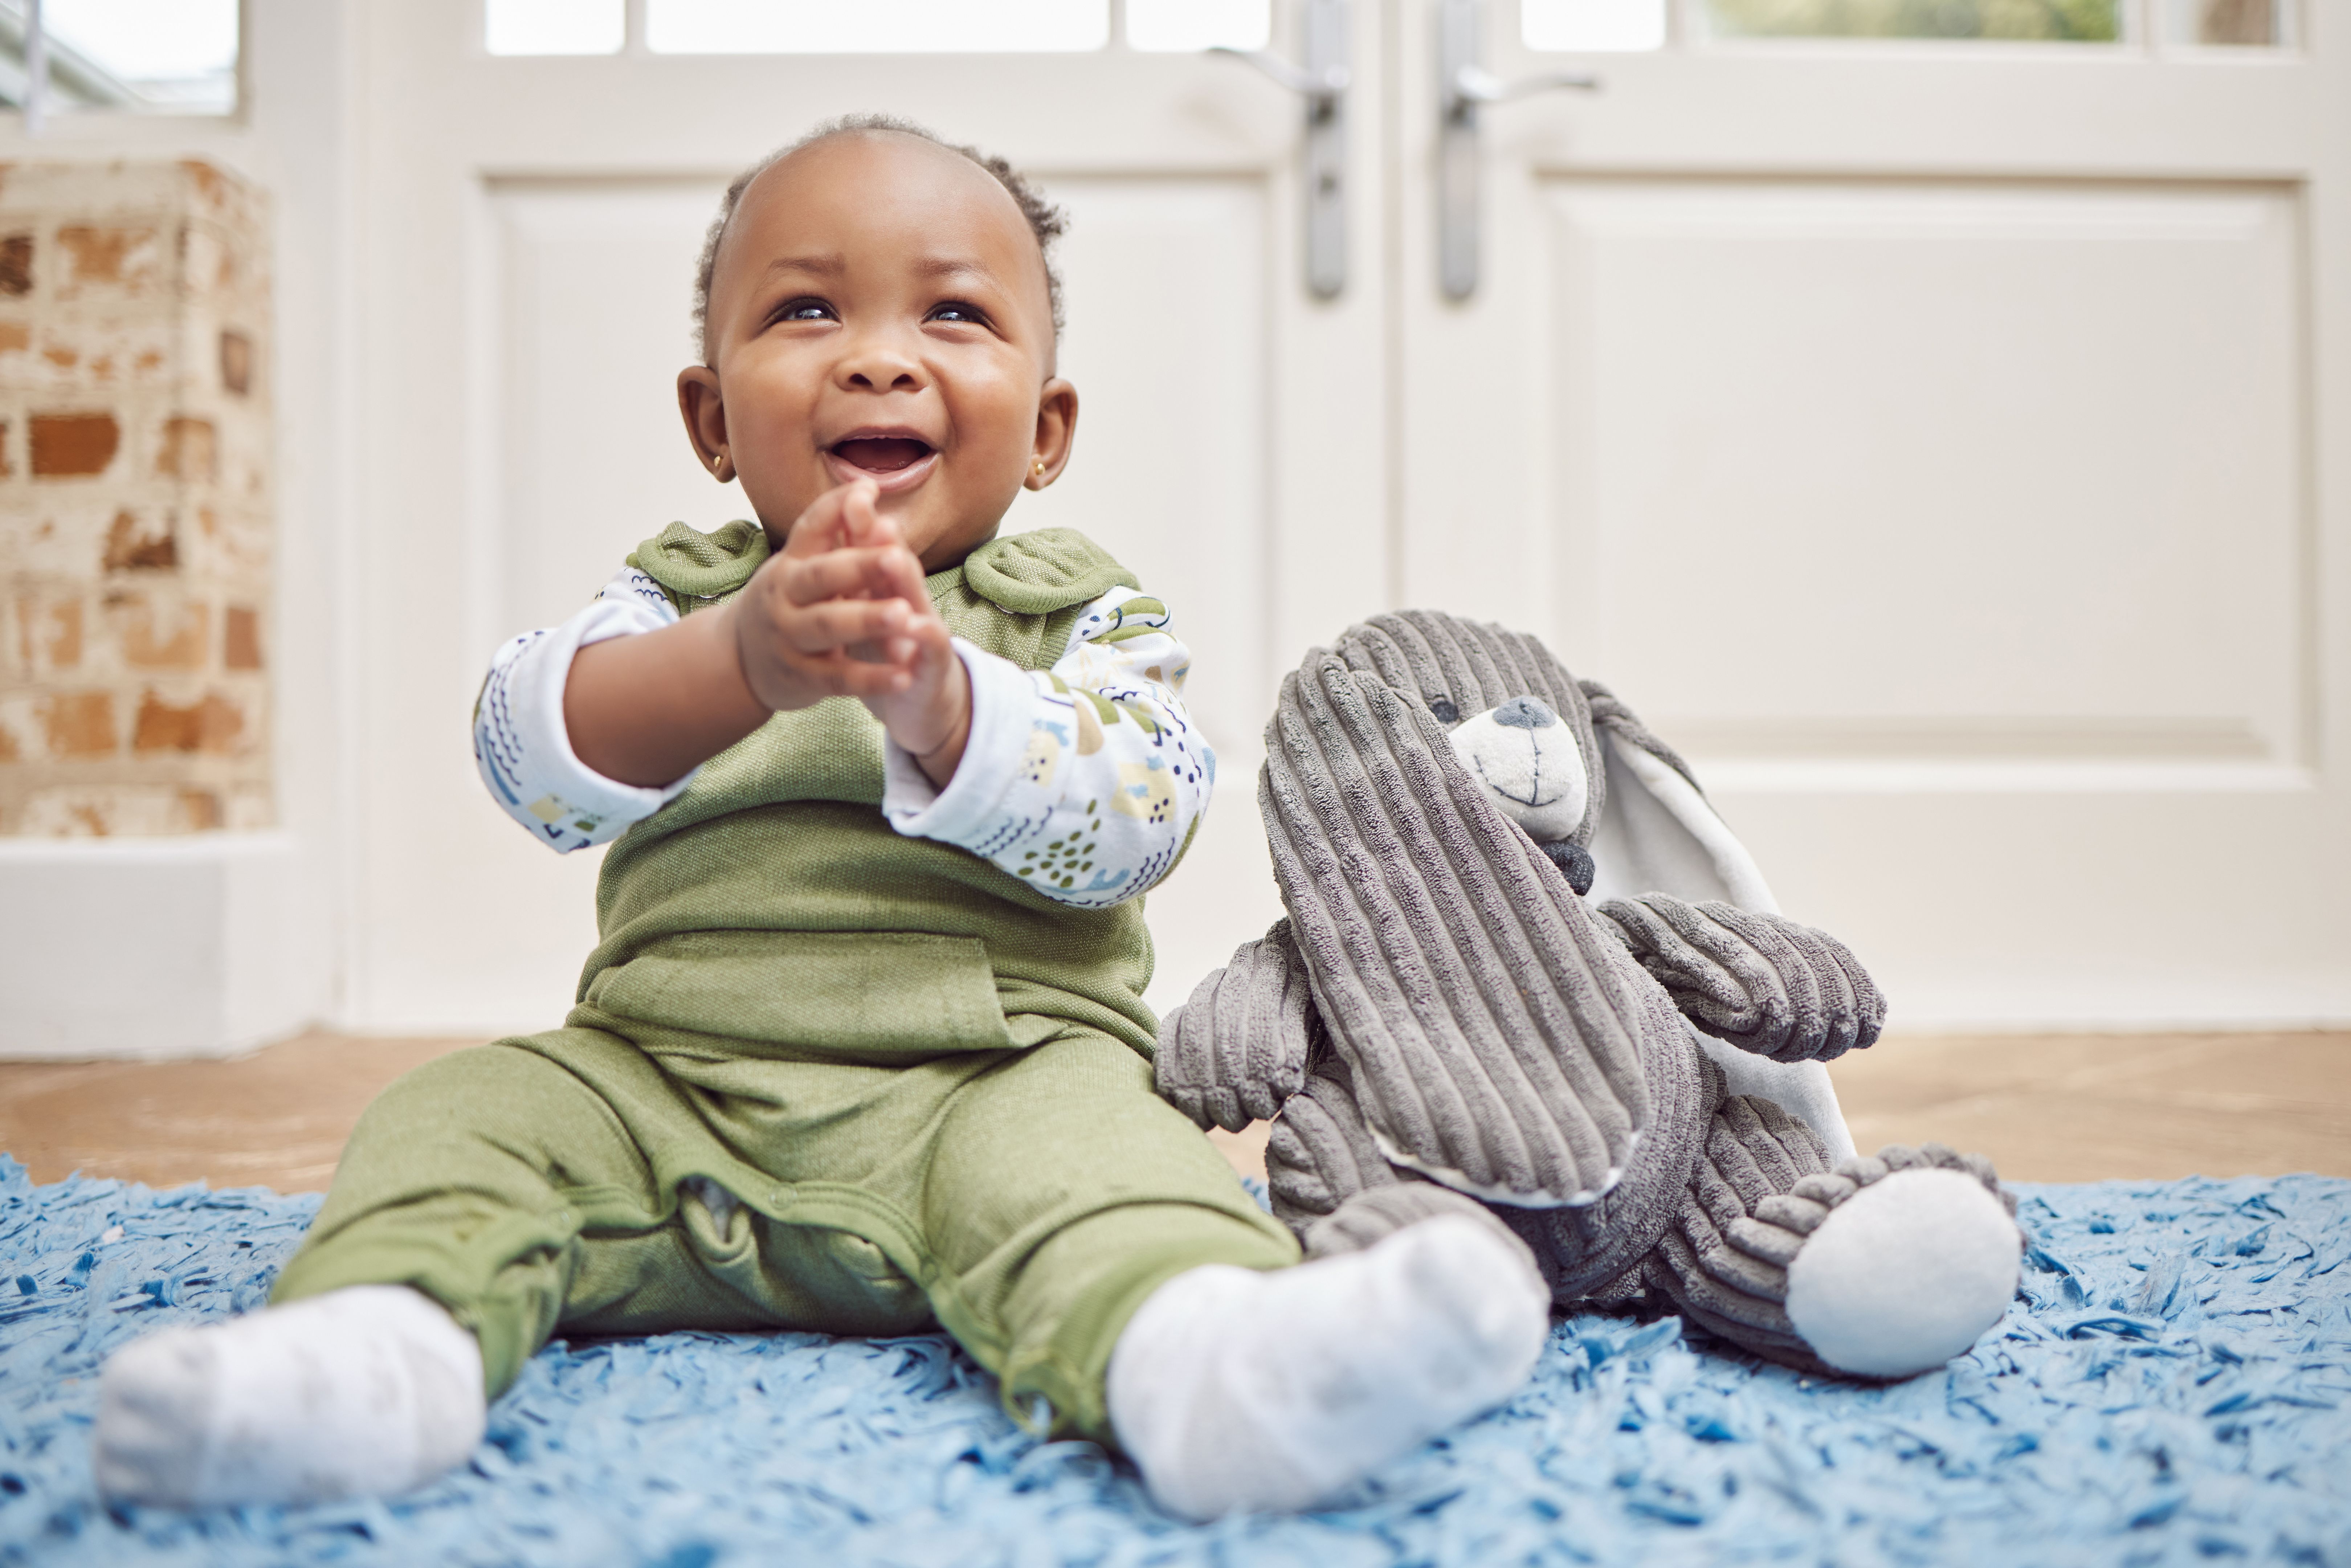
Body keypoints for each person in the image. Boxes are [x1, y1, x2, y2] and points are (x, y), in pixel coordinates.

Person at [90, 117, 1548, 1522]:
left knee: (1116, 1164)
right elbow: (526, 755)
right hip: (665, 1086)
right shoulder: (674, 603)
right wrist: (735, 664)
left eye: (956, 316)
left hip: (994, 1079)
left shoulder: (1085, 618)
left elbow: (1145, 813)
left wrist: (949, 709)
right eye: (805, 310)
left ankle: (1212, 1371)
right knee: (457, 1115)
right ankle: (377, 1359)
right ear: (712, 419)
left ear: (1046, 431)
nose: (878, 356)